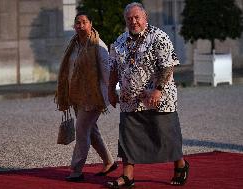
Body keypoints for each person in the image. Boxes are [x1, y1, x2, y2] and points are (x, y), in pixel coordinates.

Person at [107, 2, 189, 188]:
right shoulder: (119, 41)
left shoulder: (159, 37)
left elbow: (167, 66)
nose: (133, 21)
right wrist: (111, 90)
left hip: (158, 97)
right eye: (129, 18)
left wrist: (158, 90)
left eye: (137, 17)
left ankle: (180, 165)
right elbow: (113, 68)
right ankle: (128, 176)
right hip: (130, 99)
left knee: (166, 135)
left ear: (145, 18)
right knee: (128, 137)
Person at [55, 11, 118, 182]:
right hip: (77, 95)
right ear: (74, 25)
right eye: (78, 23)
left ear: (91, 24)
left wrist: (113, 92)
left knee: (82, 130)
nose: (81, 26)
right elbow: (69, 69)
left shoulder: (99, 46)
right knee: (92, 130)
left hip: (94, 96)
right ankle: (109, 161)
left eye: (84, 22)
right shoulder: (73, 44)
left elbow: (107, 72)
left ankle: (76, 170)